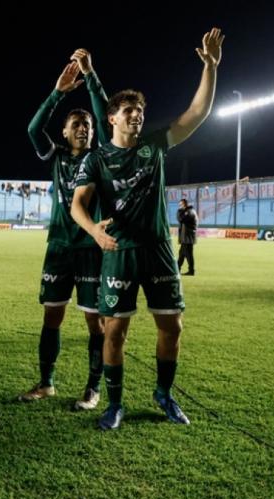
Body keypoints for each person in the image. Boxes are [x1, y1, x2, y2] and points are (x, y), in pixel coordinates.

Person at [70, 28, 224, 430]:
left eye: (139, 110)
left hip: (158, 250)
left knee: (172, 326)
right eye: (128, 111)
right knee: (115, 331)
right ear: (112, 118)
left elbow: (196, 114)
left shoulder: (154, 146)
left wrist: (210, 68)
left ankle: (164, 394)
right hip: (119, 251)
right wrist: (95, 232)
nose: (136, 115)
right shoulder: (96, 159)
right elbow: (77, 205)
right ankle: (114, 404)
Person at [18, 49, 109, 411]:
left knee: (94, 322)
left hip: (90, 248)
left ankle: (93, 388)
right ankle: (46, 384)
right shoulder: (55, 156)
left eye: (87, 125)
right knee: (51, 317)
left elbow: (105, 121)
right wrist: (57, 93)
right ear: (65, 131)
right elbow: (32, 129)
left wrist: (91, 78)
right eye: (76, 124)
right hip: (57, 247)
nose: (83, 128)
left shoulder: (100, 157)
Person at [176, 198, 197, 275]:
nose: (180, 206)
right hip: (186, 237)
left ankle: (191, 270)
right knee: (182, 253)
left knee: (188, 254)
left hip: (187, 237)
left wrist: (180, 212)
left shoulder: (189, 212)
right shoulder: (189, 211)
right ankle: (177, 269)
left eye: (181, 204)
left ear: (185, 204)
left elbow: (181, 219)